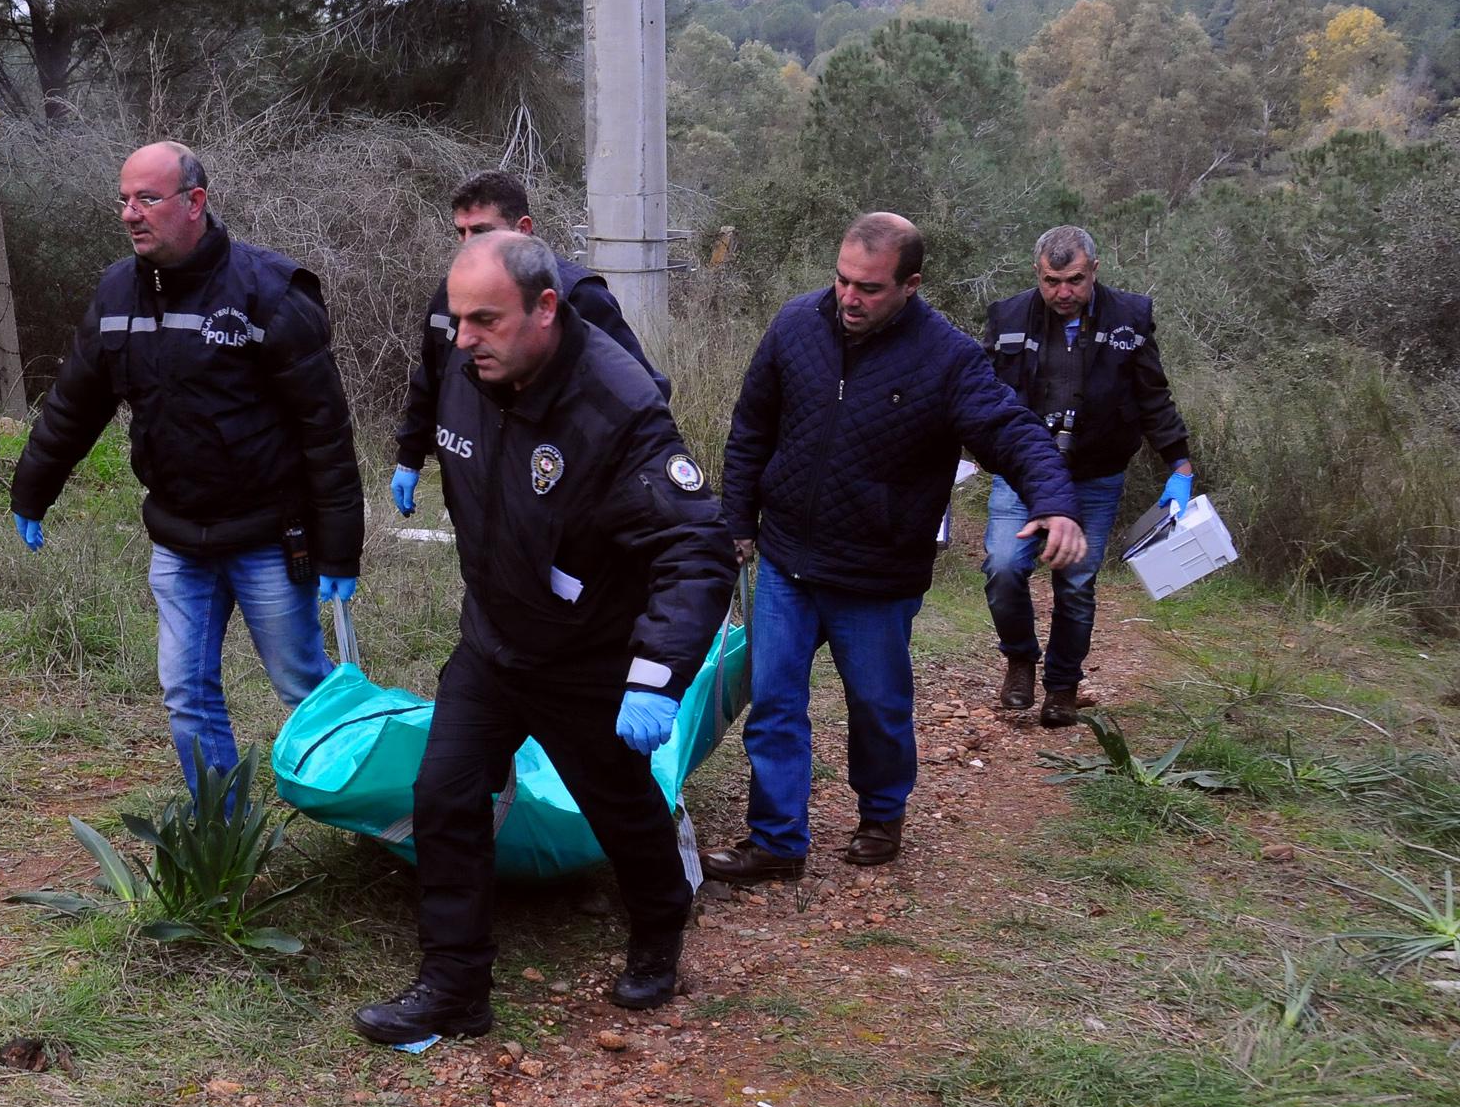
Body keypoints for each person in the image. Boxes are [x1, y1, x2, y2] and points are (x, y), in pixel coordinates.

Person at [353, 231, 735, 1045]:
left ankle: (661, 927)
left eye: (486, 320)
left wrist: (657, 673)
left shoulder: (616, 407)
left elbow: (694, 549)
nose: (465, 339)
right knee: (444, 797)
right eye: (458, 319)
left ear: (546, 309)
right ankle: (456, 986)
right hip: (495, 638)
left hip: (587, 652)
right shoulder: (468, 365)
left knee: (622, 808)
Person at [706, 213, 1084, 883]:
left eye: (870, 288)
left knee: (878, 707)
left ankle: (882, 813)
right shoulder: (795, 326)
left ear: (910, 284)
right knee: (774, 702)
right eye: (843, 280)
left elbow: (1010, 430)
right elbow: (751, 428)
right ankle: (776, 842)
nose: (849, 298)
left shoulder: (948, 358)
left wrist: (1054, 501)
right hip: (789, 558)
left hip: (877, 572)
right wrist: (738, 520)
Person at [9, 142, 364, 792]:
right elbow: (74, 405)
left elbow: (325, 434)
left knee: (304, 690)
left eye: (147, 198)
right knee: (186, 696)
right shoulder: (117, 292)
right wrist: (33, 490)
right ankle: (220, 840)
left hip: (267, 538)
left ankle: (367, 817)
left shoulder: (271, 293)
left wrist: (339, 551)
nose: (129, 214)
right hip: (179, 539)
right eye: (123, 200)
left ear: (195, 202)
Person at [983, 225, 1194, 727]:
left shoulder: (1129, 317)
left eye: (1074, 280)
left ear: (1094, 271)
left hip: (1095, 475)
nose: (1063, 293)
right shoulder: (1007, 316)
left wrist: (1179, 466)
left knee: (1075, 582)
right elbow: (980, 397)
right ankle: (1019, 659)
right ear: (1037, 273)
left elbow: (1152, 395)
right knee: (1005, 566)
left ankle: (1062, 687)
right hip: (1022, 473)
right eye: (1052, 281)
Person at [388, 170, 664, 519]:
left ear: (523, 228)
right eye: (462, 231)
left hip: (557, 500)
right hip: (479, 496)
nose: (469, 244)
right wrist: (410, 455)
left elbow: (642, 395)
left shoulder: (577, 296)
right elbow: (431, 376)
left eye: (482, 231)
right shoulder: (452, 293)